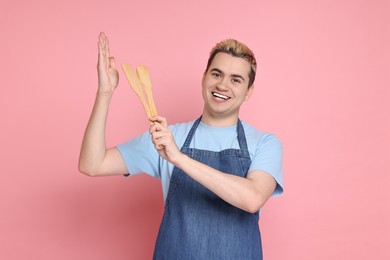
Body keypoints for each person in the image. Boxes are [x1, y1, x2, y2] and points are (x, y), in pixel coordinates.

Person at [79, 32, 283, 260]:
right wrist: (104, 93)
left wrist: (179, 157)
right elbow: (92, 164)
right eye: (217, 74)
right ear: (204, 77)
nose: (223, 85)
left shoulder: (264, 143)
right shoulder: (167, 137)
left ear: (248, 92)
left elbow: (252, 198)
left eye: (236, 79)